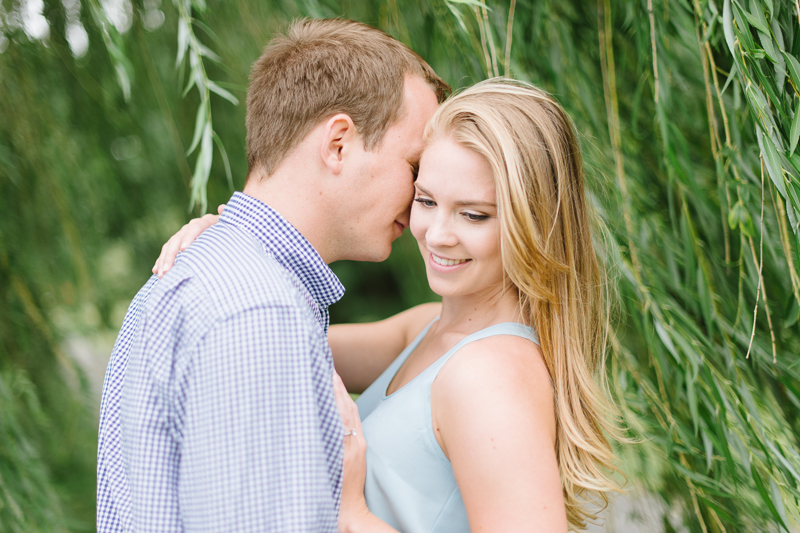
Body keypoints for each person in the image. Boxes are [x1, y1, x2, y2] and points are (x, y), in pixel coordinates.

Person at [155, 79, 624, 532]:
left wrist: (355, 516)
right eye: (425, 200)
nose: (436, 234)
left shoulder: (489, 378)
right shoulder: (429, 328)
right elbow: (270, 340)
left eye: (473, 214)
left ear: (536, 222)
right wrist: (233, 240)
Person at [96, 18, 449, 532]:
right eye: (414, 166)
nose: (422, 199)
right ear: (338, 144)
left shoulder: (205, 276)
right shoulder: (258, 313)